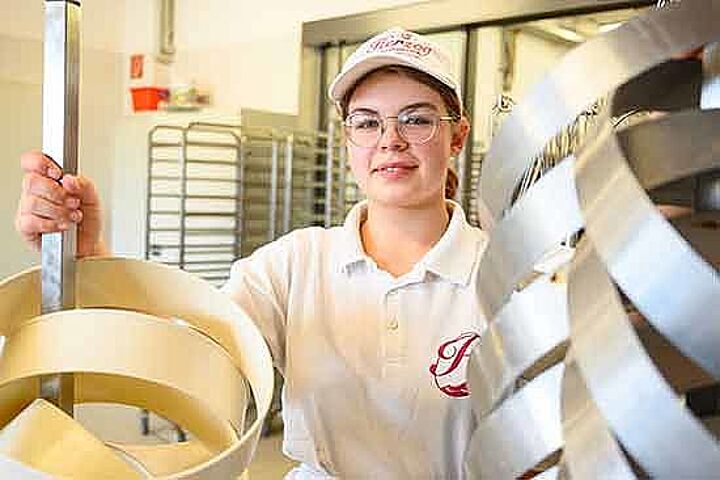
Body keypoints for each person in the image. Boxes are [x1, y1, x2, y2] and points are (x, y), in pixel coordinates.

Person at [16, 27, 488, 478]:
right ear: (347, 140)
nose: (390, 140)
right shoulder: (294, 265)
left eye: (417, 119)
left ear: (458, 136)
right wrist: (91, 258)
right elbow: (185, 351)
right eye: (367, 122)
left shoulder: (506, 273)